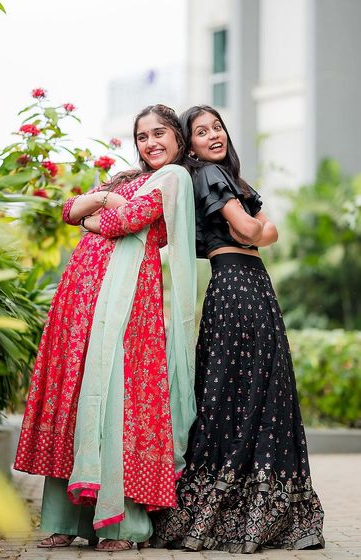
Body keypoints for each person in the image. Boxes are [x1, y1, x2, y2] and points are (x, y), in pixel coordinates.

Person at [14, 104, 197, 551]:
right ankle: (64, 519)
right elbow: (68, 210)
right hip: (81, 302)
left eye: (159, 134)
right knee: (80, 398)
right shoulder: (126, 181)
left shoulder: (174, 179)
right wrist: (103, 201)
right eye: (142, 137)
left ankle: (120, 526)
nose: (150, 143)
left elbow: (123, 221)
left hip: (128, 305)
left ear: (176, 137)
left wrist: (98, 213)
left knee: (117, 401)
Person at [152, 105, 325, 553]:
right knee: (248, 394)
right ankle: (233, 513)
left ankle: (241, 515)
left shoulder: (229, 181)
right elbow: (255, 228)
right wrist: (258, 231)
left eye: (217, 127)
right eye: (201, 131)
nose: (213, 136)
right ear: (189, 145)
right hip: (238, 290)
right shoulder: (208, 176)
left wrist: (258, 232)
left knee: (245, 392)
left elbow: (264, 230)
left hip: (246, 287)